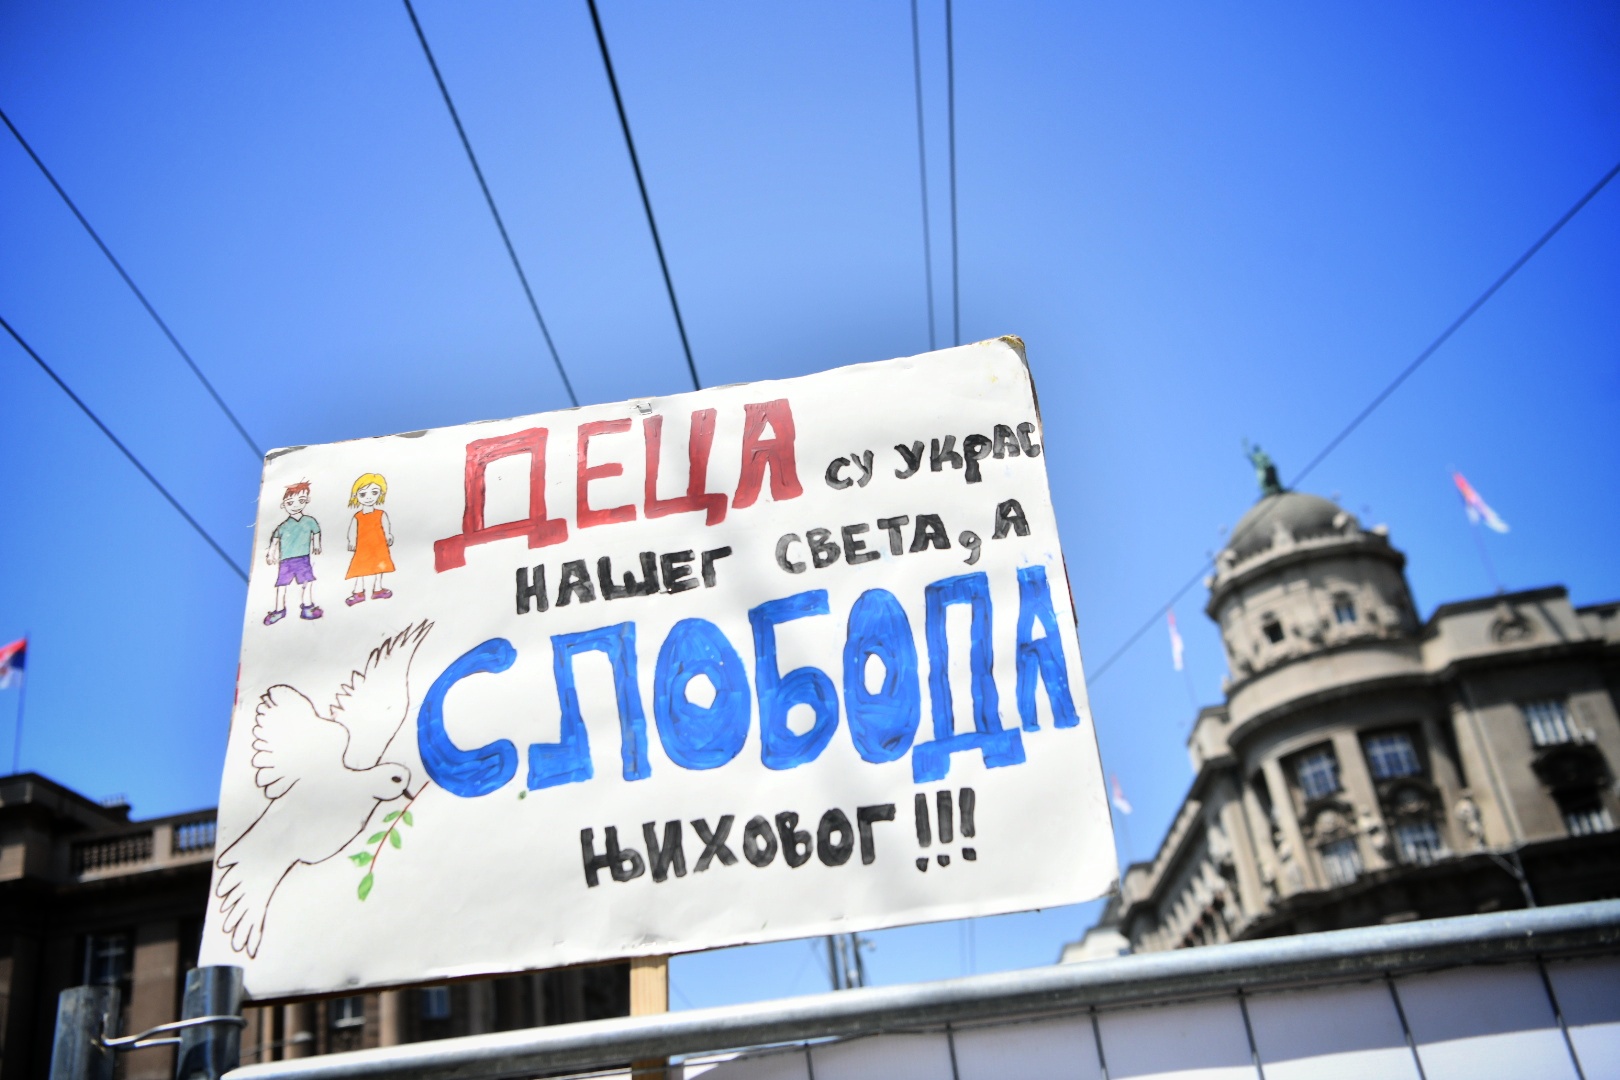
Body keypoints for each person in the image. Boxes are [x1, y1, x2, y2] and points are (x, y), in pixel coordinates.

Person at [265, 482, 322, 624]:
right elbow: (275, 539)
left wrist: (316, 544)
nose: (296, 505)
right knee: (282, 585)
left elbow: (316, 532)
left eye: (301, 501)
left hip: (303, 559)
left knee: (307, 582)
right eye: (290, 503)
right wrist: (270, 554)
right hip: (286, 560)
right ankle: (279, 611)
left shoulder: (309, 521)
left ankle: (307, 608)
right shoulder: (283, 526)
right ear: (283, 505)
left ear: (307, 501)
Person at [344, 473, 396, 605]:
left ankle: (377, 589)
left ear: (380, 494)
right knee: (360, 568)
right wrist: (351, 541)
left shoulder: (381, 514)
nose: (368, 498)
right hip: (363, 546)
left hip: (379, 545)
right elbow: (352, 530)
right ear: (356, 496)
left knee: (379, 567)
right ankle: (358, 592)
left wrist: (389, 535)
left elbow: (386, 526)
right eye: (363, 494)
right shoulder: (358, 516)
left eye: (374, 492)